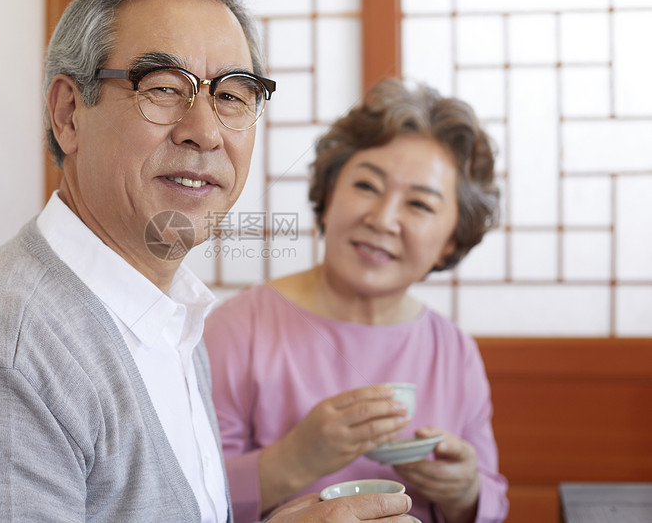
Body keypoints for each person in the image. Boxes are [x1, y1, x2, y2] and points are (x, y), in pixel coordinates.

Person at [0, 0, 415, 521]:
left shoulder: (168, 318)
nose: (204, 131)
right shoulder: (2, 356)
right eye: (164, 87)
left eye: (231, 94)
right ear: (69, 114)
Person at [205, 78, 510, 523]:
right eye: (367, 186)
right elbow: (185, 494)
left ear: (451, 240)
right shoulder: (238, 327)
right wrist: (294, 460)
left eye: (420, 205)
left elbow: (491, 502)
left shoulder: (454, 351)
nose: (383, 219)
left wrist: (464, 492)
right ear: (328, 197)